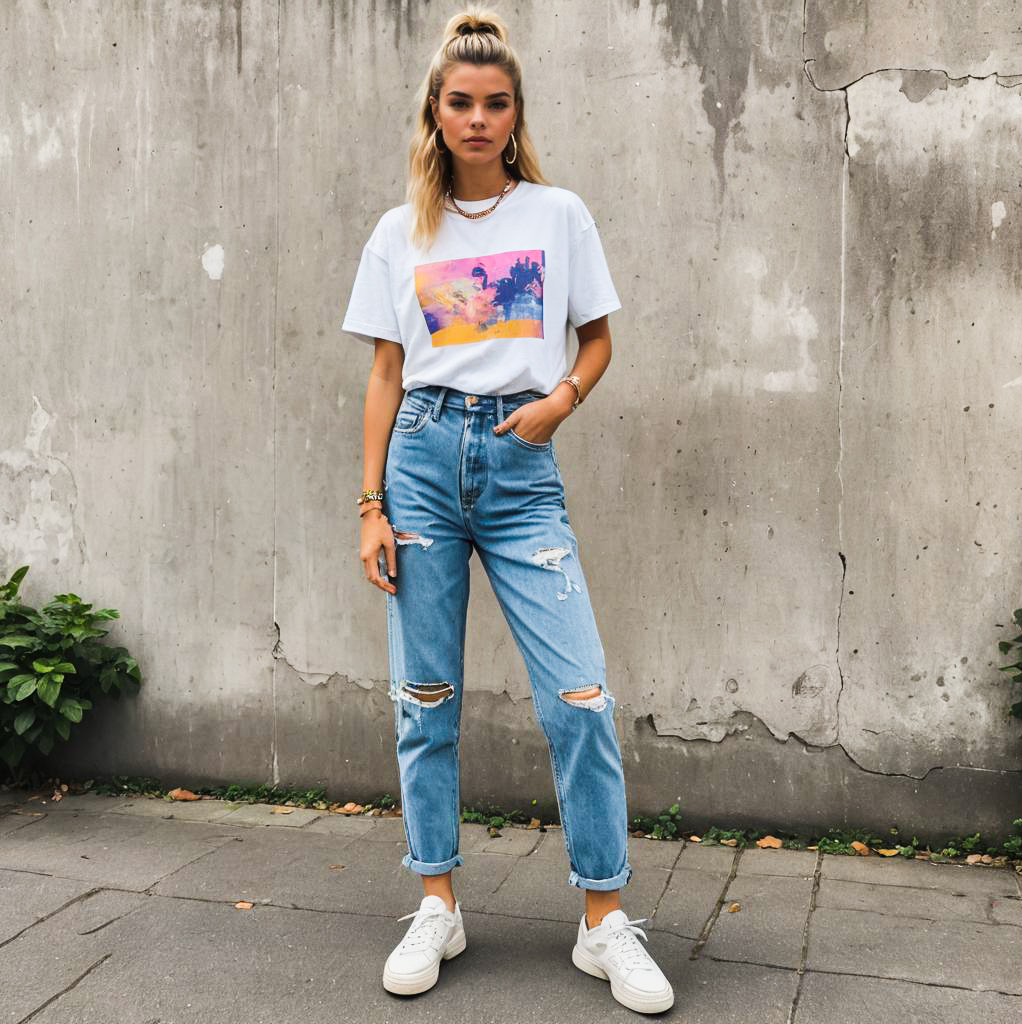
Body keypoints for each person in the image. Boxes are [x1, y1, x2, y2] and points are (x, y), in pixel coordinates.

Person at [341, 6, 674, 1014]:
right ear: (435, 115)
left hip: (522, 469)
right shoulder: (400, 233)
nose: (477, 119)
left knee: (580, 697)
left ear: (515, 114)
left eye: (495, 103)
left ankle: (604, 921)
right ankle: (437, 900)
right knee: (426, 699)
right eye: (460, 102)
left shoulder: (558, 215)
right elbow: (385, 377)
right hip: (423, 464)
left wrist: (559, 402)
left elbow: (598, 341)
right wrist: (369, 504)